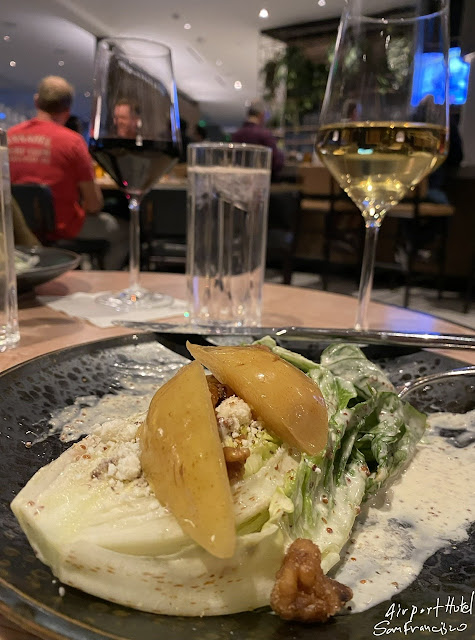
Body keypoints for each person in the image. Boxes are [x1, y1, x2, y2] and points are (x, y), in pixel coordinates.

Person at [7, 76, 128, 270]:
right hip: (63, 229)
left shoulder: (8, 137)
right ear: (67, 110)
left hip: (15, 231)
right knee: (124, 232)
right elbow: (94, 204)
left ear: (37, 101)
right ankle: (103, 281)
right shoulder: (73, 142)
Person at [231, 100, 284, 180]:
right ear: (261, 114)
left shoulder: (236, 135)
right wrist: (282, 155)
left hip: (239, 179)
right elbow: (276, 162)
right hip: (260, 180)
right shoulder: (265, 134)